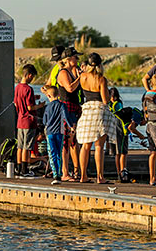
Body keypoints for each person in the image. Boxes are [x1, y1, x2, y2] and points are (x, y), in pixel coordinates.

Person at [75, 53, 117, 184]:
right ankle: (100, 177)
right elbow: (105, 100)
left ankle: (83, 176)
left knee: (85, 146)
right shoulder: (101, 79)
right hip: (99, 111)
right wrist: (109, 94)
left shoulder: (82, 77)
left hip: (87, 110)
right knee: (99, 146)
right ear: (100, 65)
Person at [56, 47, 83, 179]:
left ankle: (77, 170)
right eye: (75, 57)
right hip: (66, 107)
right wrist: (80, 77)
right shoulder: (63, 73)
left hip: (74, 107)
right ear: (68, 59)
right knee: (66, 140)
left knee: (74, 140)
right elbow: (70, 88)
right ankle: (65, 172)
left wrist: (80, 75)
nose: (77, 59)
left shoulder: (73, 72)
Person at [42, 85, 76, 184]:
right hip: (60, 133)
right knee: (59, 153)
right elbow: (66, 116)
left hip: (50, 133)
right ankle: (59, 174)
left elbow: (44, 121)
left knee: (52, 153)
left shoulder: (47, 107)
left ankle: (55, 174)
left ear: (48, 96)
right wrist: (71, 126)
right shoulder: (62, 105)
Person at [14, 64, 43, 178]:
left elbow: (17, 102)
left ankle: (18, 168)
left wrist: (33, 98)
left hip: (20, 120)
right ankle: (25, 170)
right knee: (27, 146)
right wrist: (40, 105)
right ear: (29, 75)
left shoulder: (17, 87)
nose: (32, 79)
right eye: (32, 77)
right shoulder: (28, 89)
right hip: (29, 121)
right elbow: (30, 107)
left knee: (20, 147)